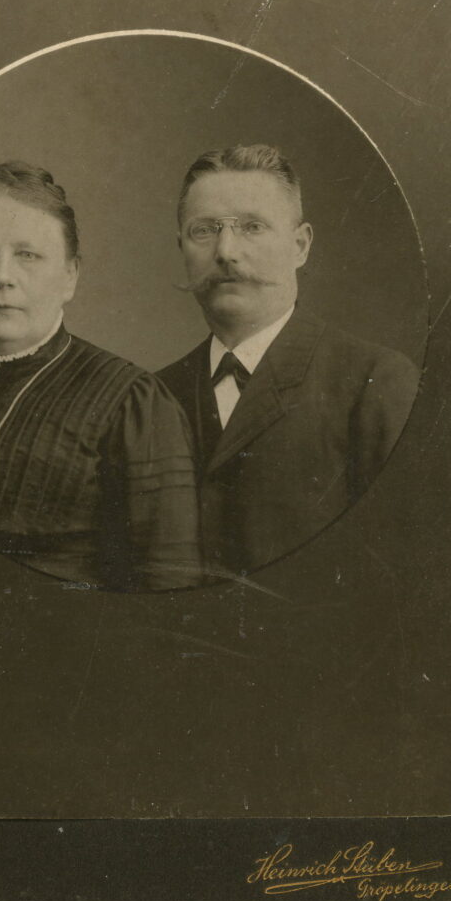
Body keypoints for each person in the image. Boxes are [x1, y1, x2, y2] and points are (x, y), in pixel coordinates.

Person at [0, 161, 203, 591]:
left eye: (27, 255)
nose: (1, 277)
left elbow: (170, 588)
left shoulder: (132, 402)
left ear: (70, 275)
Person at [158, 144, 420, 578]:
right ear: (182, 246)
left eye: (252, 227)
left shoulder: (374, 382)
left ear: (300, 246)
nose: (225, 251)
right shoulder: (151, 395)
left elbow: (405, 570)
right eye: (204, 230)